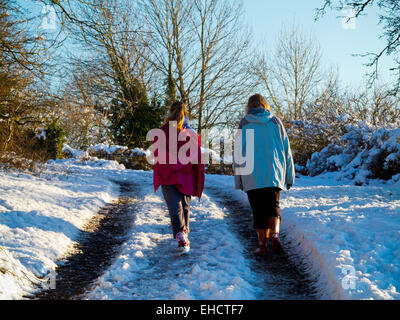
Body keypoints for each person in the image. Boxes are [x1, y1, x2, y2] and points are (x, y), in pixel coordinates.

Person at [234, 94, 295, 255]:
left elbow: (238, 153)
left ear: (249, 106)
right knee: (273, 207)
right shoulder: (275, 122)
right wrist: (289, 175)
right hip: (274, 172)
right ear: (265, 105)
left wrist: (239, 179)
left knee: (258, 212)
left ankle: (262, 246)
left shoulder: (244, 123)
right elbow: (286, 150)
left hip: (251, 175)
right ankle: (275, 235)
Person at [153, 101, 205, 255]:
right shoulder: (192, 134)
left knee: (175, 207)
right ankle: (184, 235)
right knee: (184, 206)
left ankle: (181, 236)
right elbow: (197, 159)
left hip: (167, 176)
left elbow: (158, 154)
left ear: (170, 112)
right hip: (186, 176)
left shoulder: (161, 132)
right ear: (186, 113)